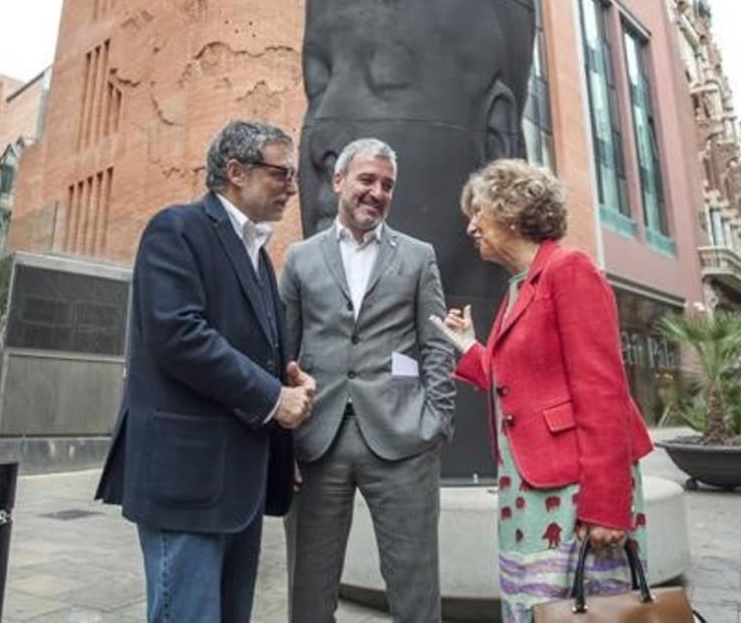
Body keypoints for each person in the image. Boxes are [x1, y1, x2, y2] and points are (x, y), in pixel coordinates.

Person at [298, 0, 536, 481]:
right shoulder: (297, 284)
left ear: (495, 136)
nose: (323, 134)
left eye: (383, 74)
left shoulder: (552, 293)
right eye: (318, 78)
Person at [94, 120, 315, 623]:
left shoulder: (259, 256)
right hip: (186, 482)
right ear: (235, 171)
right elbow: (178, 336)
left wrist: (288, 383)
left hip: (241, 483)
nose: (292, 186)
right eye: (281, 172)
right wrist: (273, 398)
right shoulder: (177, 229)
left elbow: (248, 350)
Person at [431, 159, 654, 621]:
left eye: (478, 212)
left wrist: (608, 505)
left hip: (572, 490)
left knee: (586, 607)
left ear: (512, 212)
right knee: (538, 606)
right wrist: (469, 348)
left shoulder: (568, 270)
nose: (471, 226)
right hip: (526, 487)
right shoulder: (520, 286)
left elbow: (603, 392)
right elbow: (523, 383)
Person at [280, 138, 455, 623]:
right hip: (317, 443)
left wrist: (435, 420)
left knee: (416, 591)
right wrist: (284, 441)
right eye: (367, 179)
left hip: (403, 441)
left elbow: (437, 343)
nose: (377, 191)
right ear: (339, 182)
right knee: (309, 596)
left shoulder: (419, 257)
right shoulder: (299, 258)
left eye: (387, 184)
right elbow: (282, 353)